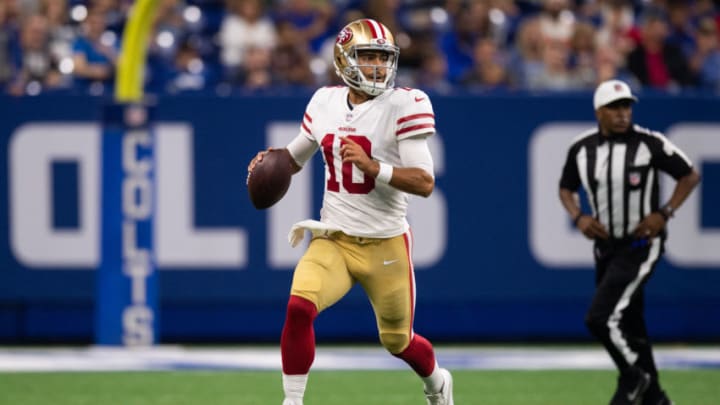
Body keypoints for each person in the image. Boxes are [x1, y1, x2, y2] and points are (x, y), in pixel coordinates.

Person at [247, 18, 453, 405]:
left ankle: (437, 382)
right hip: (335, 238)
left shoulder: (405, 104)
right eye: (368, 56)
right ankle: (292, 402)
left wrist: (375, 167)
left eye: (382, 58)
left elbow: (425, 182)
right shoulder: (324, 101)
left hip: (385, 244)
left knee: (398, 341)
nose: (377, 66)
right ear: (344, 60)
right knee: (298, 307)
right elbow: (294, 158)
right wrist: (270, 161)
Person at [559, 79, 700, 405]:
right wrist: (579, 216)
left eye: (626, 106)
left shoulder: (650, 143)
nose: (623, 114)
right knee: (631, 324)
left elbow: (689, 174)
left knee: (600, 318)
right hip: (606, 248)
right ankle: (657, 399)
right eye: (614, 107)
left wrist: (664, 213)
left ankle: (634, 376)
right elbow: (566, 187)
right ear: (599, 112)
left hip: (640, 244)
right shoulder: (582, 148)